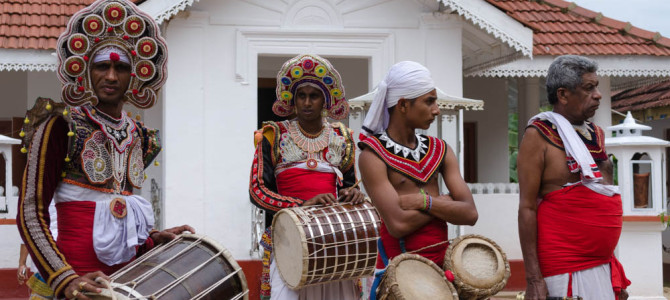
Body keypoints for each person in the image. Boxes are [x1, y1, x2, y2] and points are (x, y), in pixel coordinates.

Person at [16, 1, 194, 299]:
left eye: (121, 67)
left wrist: (149, 239)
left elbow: (115, 211)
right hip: (73, 285)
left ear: (136, 75)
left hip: (123, 285)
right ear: (85, 69)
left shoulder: (140, 136)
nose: (111, 77)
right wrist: (64, 278)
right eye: (102, 66)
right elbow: (30, 212)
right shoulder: (61, 126)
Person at [357, 61, 478, 299]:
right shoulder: (371, 155)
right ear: (403, 105)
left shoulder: (440, 149)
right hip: (398, 277)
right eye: (429, 101)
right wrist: (444, 202)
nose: (437, 110)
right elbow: (398, 225)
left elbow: (470, 213)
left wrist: (424, 202)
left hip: (443, 273)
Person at [249, 54, 365, 300]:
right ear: (292, 99)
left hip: (332, 238)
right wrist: (300, 206)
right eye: (301, 96)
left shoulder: (342, 136)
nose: (307, 102)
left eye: (314, 96)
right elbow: (257, 191)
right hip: (289, 239)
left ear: (325, 100)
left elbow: (349, 185)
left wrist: (352, 194)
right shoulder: (273, 135)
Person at [517, 55, 630, 300]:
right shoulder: (539, 135)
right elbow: (526, 208)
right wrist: (534, 279)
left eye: (597, 87)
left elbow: (601, 204)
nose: (598, 95)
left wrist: (614, 268)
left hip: (602, 264)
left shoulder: (595, 134)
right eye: (589, 88)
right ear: (563, 94)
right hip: (563, 266)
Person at [17, 202, 57, 300]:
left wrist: (22, 263)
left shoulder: (39, 197)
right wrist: (22, 263)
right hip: (54, 261)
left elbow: (28, 231)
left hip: (46, 262)